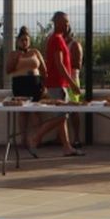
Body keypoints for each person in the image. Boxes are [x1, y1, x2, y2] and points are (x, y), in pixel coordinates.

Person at [33, 12, 79, 155]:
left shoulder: (56, 39)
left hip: (58, 83)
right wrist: (72, 83)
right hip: (57, 83)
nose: (67, 25)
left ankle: (66, 147)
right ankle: (35, 138)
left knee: (61, 117)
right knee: (61, 116)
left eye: (68, 22)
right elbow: (59, 64)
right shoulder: (57, 40)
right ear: (57, 22)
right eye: (65, 22)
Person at [5, 27, 46, 156]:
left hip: (35, 83)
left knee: (35, 111)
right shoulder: (13, 54)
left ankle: (37, 138)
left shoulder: (35, 52)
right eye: (22, 40)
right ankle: (23, 139)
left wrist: (45, 85)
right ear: (17, 41)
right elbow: (8, 70)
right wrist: (16, 59)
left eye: (27, 40)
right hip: (20, 84)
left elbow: (44, 69)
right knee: (23, 112)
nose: (24, 42)